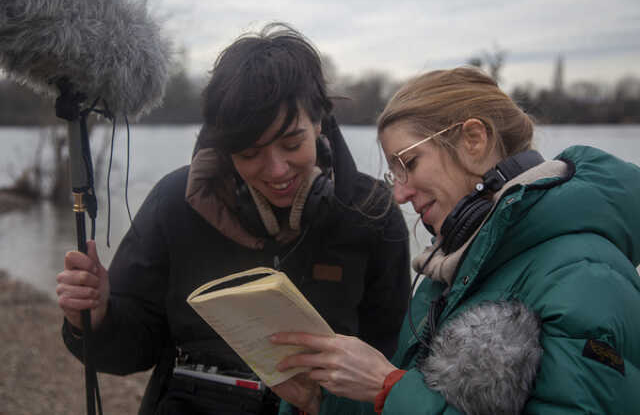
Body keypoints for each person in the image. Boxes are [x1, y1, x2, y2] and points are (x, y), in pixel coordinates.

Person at [56, 23, 411, 415]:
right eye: (249, 153)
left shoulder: (373, 215)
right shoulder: (174, 202)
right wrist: (95, 318)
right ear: (225, 148)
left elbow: (390, 366)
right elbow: (128, 352)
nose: (276, 170)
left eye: (292, 143)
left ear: (319, 123)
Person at [270, 66, 640, 414]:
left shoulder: (586, 274)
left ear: (474, 140)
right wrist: (321, 402)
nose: (399, 195)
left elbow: (403, 396)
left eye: (409, 164)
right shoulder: (453, 269)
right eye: (392, 174)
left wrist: (387, 385)